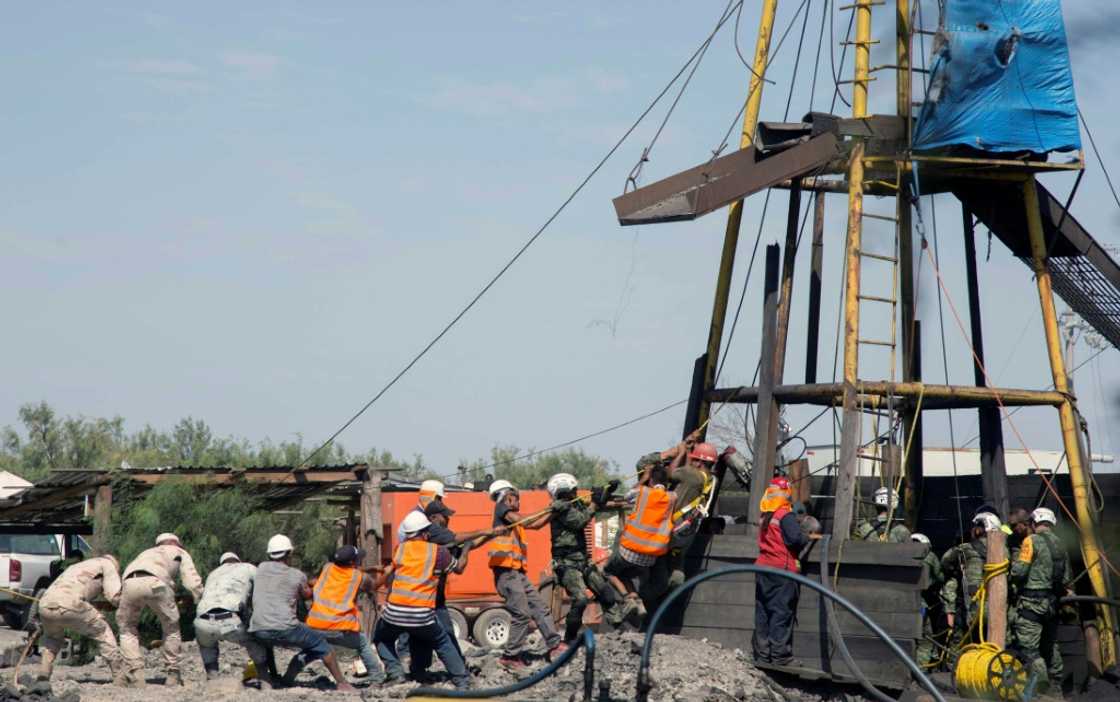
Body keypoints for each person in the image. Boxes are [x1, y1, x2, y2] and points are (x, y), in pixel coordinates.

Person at [409, 498, 506, 677]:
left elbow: (469, 544)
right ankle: (459, 672)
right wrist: (486, 531)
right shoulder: (432, 531)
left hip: (431, 597)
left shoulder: (441, 539)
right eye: (445, 516)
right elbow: (460, 542)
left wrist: (492, 534)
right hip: (426, 597)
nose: (448, 519)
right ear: (433, 517)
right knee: (444, 634)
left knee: (425, 635)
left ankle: (421, 671)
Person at [372, 511, 469, 690]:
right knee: (442, 641)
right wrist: (466, 549)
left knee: (381, 638)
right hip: (422, 613)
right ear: (425, 533)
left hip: (394, 612)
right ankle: (461, 679)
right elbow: (459, 568)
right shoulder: (438, 552)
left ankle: (396, 673)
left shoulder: (400, 549)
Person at [248, 534, 355, 692]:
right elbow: (307, 595)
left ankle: (271, 680)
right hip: (286, 628)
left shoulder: (260, 569)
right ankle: (342, 683)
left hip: (258, 628)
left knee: (265, 644)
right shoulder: (297, 575)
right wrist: (319, 585)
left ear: (269, 554)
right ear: (289, 554)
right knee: (321, 643)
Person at [487, 479, 564, 670]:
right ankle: (510, 656)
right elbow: (529, 521)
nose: (518, 501)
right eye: (515, 497)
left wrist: (554, 511)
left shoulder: (512, 519)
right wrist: (551, 508)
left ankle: (555, 644)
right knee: (522, 613)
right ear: (506, 497)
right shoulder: (501, 509)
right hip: (506, 573)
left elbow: (536, 524)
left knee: (539, 607)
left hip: (517, 573)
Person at [545, 472, 631, 642]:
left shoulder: (575, 502)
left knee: (605, 592)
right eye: (573, 489)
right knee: (581, 599)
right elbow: (580, 521)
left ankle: (620, 628)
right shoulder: (560, 507)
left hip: (583, 561)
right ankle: (570, 636)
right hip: (567, 564)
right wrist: (594, 503)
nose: (576, 492)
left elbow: (597, 503)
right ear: (564, 491)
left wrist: (607, 491)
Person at [117, 533, 204, 687]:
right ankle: (173, 674)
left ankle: (136, 674)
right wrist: (200, 599)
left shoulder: (145, 553)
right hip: (157, 583)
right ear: (176, 543)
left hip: (129, 583)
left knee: (127, 629)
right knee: (171, 629)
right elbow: (191, 580)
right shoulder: (179, 552)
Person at [753, 477, 816, 666]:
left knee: (763, 611)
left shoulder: (766, 514)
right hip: (782, 569)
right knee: (781, 612)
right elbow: (795, 540)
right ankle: (781, 657)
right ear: (786, 493)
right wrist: (807, 535)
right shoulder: (784, 515)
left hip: (763, 567)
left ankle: (762, 655)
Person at [604, 462, 676, 622]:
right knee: (625, 574)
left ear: (651, 480)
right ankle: (637, 601)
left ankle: (627, 599)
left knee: (609, 571)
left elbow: (626, 496)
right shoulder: (672, 498)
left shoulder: (642, 492)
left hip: (629, 551)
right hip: (650, 559)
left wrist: (643, 478)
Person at [1009, 507, 1071, 695]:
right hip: (1052, 604)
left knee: (1030, 650)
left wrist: (1011, 571)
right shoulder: (1061, 544)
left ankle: (1041, 687)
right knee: (1051, 646)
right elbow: (1066, 578)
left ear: (1034, 523)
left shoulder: (1030, 541)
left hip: (1031, 604)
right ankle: (1056, 688)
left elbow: (1019, 572)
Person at [36, 553, 123, 683]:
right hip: (70, 603)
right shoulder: (108, 565)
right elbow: (115, 597)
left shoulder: (78, 566)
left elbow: (74, 593)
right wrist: (131, 604)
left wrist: (100, 605)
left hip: (45, 604)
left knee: (52, 639)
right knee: (102, 631)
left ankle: (44, 672)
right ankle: (120, 675)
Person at [306, 545, 383, 683]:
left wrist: (371, 568)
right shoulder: (359, 577)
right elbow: (374, 586)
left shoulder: (327, 568)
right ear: (352, 562)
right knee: (362, 643)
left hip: (315, 625)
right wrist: (389, 572)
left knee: (312, 649)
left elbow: (346, 570)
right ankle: (377, 676)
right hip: (339, 628)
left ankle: (288, 676)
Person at [194, 552, 270, 682]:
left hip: (202, 621)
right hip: (230, 620)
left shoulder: (212, 574)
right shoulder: (248, 567)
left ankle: (213, 678)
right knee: (255, 643)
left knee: (207, 646)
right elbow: (263, 589)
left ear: (221, 563)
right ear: (238, 560)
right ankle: (264, 680)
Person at [940, 512, 999, 659]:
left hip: (972, 604)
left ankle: (955, 666)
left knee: (960, 640)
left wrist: (956, 570)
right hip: (996, 605)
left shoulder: (966, 548)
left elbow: (945, 561)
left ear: (979, 529)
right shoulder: (1004, 550)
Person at [911, 534, 946, 670]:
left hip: (904, 603)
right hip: (922, 603)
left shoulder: (903, 555)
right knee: (925, 637)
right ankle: (921, 669)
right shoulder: (930, 557)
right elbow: (940, 576)